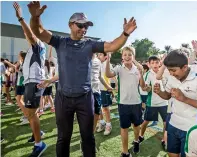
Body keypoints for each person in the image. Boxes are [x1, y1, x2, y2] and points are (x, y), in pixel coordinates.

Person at [28, 1, 137, 156]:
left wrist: (125, 33)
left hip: (85, 98)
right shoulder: (60, 42)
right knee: (63, 138)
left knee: (88, 137)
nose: (84, 29)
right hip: (63, 98)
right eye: (80, 25)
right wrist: (35, 17)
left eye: (86, 26)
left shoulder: (90, 44)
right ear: (70, 25)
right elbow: (38, 31)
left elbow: (112, 46)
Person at [154, 48, 197, 157]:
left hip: (191, 127)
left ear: (185, 67)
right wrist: (159, 92)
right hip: (173, 124)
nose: (171, 73)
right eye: (169, 70)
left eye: (173, 70)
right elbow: (167, 95)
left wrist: (184, 99)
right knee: (172, 154)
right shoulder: (172, 78)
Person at [13, 2, 47, 156]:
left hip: (34, 82)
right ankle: (37, 135)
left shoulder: (38, 43)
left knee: (31, 114)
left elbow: (31, 36)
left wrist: (21, 18)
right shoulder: (33, 48)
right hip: (31, 82)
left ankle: (39, 143)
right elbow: (29, 35)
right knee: (31, 113)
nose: (27, 36)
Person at [106, 46, 145, 157]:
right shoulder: (119, 68)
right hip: (123, 104)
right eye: (125, 54)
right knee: (124, 128)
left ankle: (137, 141)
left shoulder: (138, 69)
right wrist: (108, 60)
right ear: (122, 57)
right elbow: (108, 74)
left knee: (136, 126)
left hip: (136, 103)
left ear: (133, 57)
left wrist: (141, 73)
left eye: (130, 54)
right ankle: (125, 152)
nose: (127, 56)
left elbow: (142, 86)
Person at [139, 56, 168, 149]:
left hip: (164, 102)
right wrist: (148, 88)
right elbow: (145, 88)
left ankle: (164, 140)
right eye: (152, 63)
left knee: (166, 122)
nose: (155, 64)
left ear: (160, 63)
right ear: (149, 64)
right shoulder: (147, 74)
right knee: (146, 121)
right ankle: (140, 136)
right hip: (152, 103)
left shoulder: (165, 72)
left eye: (156, 62)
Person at [96, 52, 113, 135]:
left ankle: (108, 124)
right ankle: (102, 123)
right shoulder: (97, 63)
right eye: (98, 54)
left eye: (100, 55)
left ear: (105, 56)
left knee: (105, 108)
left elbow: (111, 75)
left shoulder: (107, 64)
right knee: (98, 108)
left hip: (105, 89)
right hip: (96, 89)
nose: (98, 56)